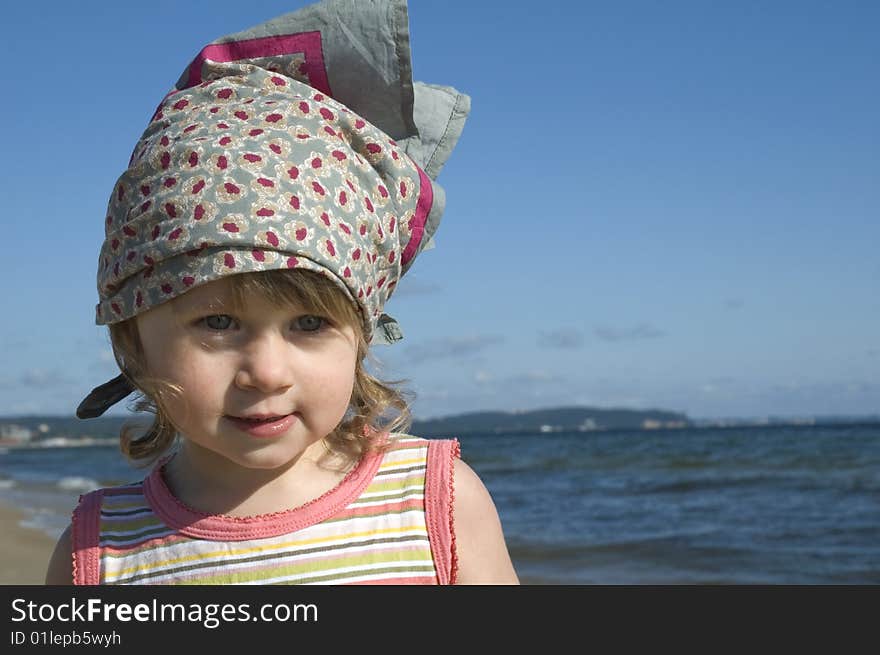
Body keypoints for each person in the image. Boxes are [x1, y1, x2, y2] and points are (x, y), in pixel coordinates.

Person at [44, 0, 518, 585]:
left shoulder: (434, 504)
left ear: (361, 332)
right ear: (133, 337)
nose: (266, 374)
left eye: (310, 324)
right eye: (217, 323)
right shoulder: (100, 551)